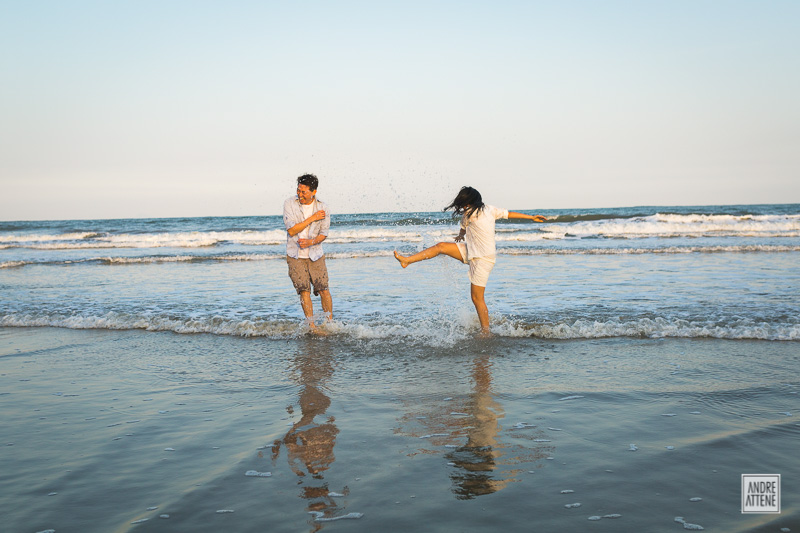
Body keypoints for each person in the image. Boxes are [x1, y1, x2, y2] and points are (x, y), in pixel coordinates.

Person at [394, 186, 546, 336]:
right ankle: (407, 260)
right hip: (470, 250)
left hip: (484, 258)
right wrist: (460, 236)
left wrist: (532, 218)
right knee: (441, 246)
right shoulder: (467, 214)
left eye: (466, 203)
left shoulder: (489, 210)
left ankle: (486, 332)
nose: (464, 206)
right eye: (463, 204)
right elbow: (463, 227)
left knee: (476, 298)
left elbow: (509, 214)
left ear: (473, 201)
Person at [283, 174, 333, 331]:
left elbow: (324, 233)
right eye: (298, 190)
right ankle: (312, 326)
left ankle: (329, 324)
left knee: (323, 289)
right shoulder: (289, 204)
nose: (300, 194)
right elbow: (292, 230)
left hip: (316, 254)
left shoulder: (323, 208)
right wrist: (312, 218)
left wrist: (311, 242)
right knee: (304, 290)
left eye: (304, 192)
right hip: (295, 255)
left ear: (314, 191)